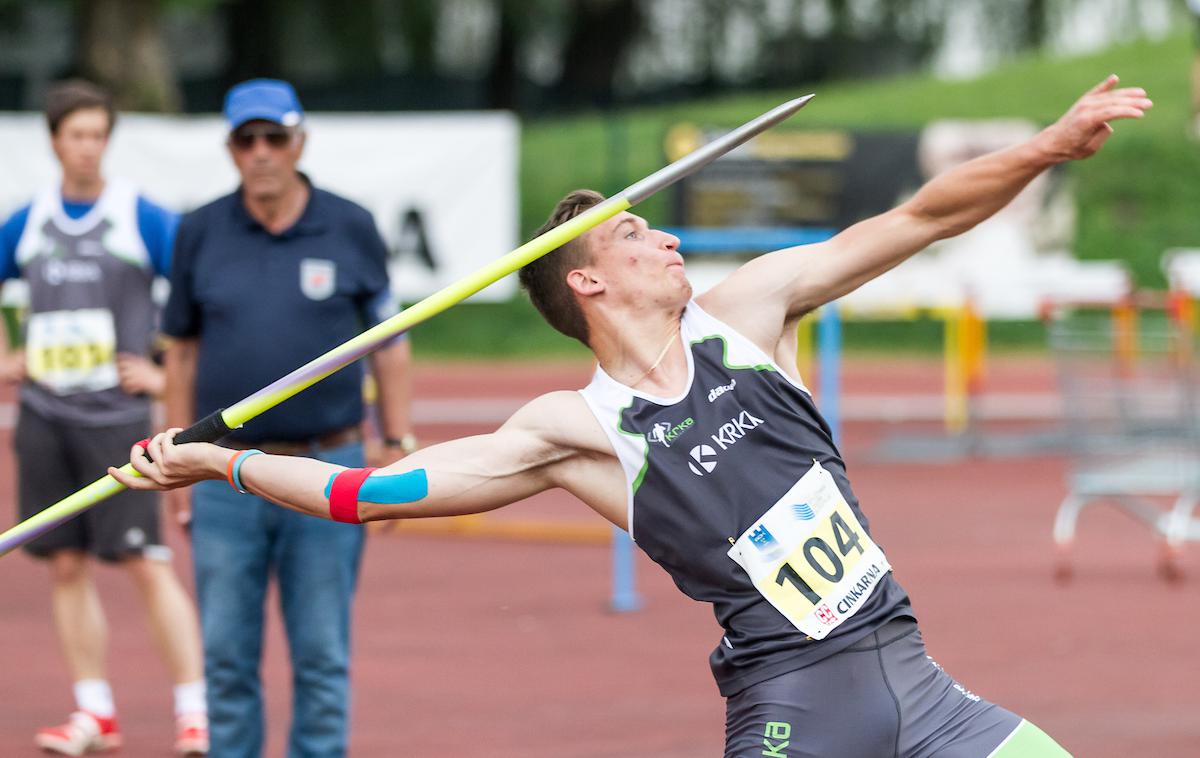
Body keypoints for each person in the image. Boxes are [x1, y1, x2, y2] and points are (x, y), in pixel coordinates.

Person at [117, 76, 1150, 757]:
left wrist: (1047, 147)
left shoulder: (750, 312)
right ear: (590, 286)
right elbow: (369, 490)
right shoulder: (574, 430)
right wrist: (223, 462)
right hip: (797, 711)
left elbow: (921, 217)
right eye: (634, 233)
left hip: (922, 683)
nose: (661, 239)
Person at [159, 78, 414, 758]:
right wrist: (179, 462)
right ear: (231, 149)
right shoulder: (199, 231)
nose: (262, 152)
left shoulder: (351, 224)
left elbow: (390, 344)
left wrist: (394, 443)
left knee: (323, 655)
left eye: (275, 137)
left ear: (299, 142)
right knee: (226, 658)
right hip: (220, 480)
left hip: (326, 467)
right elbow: (179, 355)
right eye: (248, 140)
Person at [0, 80, 209, 756]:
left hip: (118, 420)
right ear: (55, 140)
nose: (88, 148)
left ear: (108, 140)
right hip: (44, 415)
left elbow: (196, 298)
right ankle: (94, 712)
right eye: (76, 135)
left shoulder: (139, 216)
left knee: (146, 561)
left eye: (98, 135)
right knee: (63, 564)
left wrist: (159, 373)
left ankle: (194, 710)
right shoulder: (26, 222)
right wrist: (9, 355)